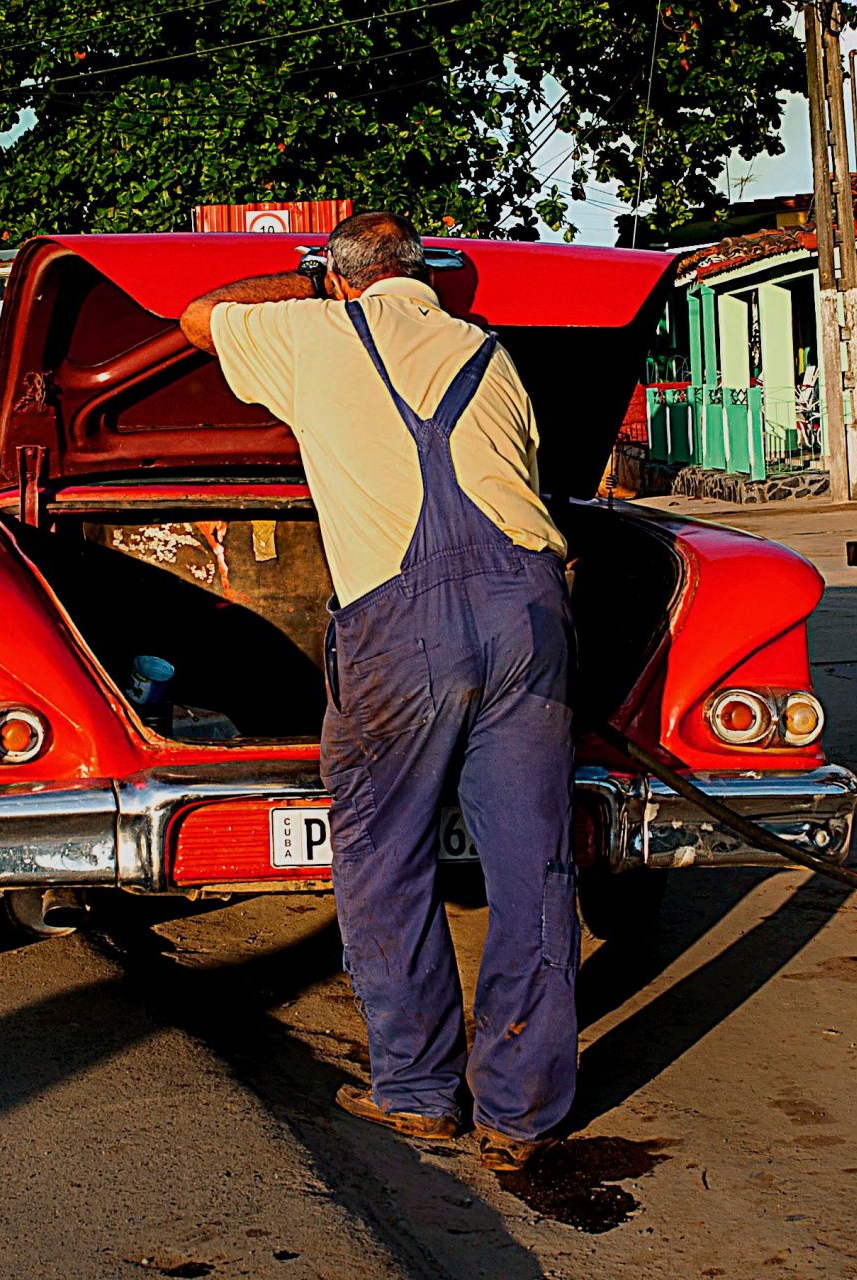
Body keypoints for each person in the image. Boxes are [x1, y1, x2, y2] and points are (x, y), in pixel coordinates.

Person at [179, 212, 577, 1173]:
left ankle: (417, 1092)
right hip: (530, 608)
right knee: (534, 868)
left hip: (402, 628)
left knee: (383, 856)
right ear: (424, 276)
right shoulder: (487, 348)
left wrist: (311, 288)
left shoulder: (316, 331)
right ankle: (522, 1115)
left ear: (346, 277)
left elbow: (199, 317)